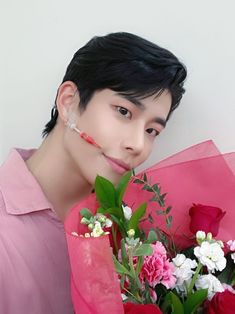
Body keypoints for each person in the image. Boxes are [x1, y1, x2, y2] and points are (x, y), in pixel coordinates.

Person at [0, 32, 187, 313]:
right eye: (124, 111)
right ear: (68, 101)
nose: (137, 144)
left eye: (152, 131)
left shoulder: (132, 233)